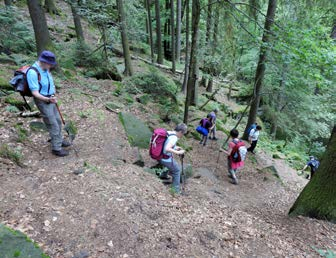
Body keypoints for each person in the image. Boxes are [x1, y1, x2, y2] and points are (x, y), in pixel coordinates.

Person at [27, 50, 70, 157]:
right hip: (43, 101)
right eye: (50, 64)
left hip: (51, 98)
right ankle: (56, 148)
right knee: (52, 123)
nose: (51, 66)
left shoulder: (46, 69)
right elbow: (35, 93)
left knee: (58, 121)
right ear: (44, 61)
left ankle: (58, 139)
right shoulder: (33, 72)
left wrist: (53, 94)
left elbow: (50, 82)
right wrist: (47, 99)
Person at [159, 123, 187, 194]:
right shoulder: (174, 138)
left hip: (160, 155)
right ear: (180, 132)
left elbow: (166, 143)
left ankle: (163, 175)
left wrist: (175, 147)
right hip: (164, 158)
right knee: (177, 170)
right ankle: (175, 190)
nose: (182, 136)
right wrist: (178, 152)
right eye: (183, 134)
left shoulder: (170, 133)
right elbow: (167, 148)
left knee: (172, 165)